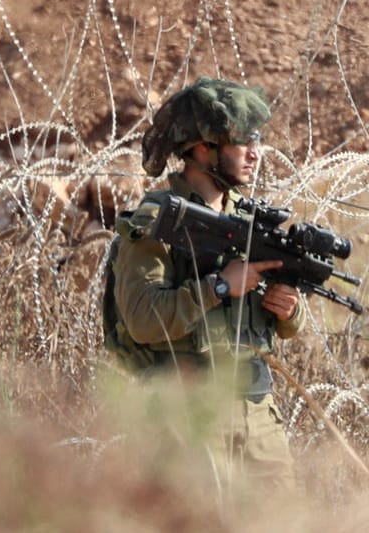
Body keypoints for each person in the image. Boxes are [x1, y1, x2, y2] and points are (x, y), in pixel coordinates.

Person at [101, 77, 317, 477]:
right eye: (243, 141)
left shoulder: (253, 222)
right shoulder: (159, 222)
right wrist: (219, 286)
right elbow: (143, 320)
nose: (255, 153)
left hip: (256, 414)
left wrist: (290, 312)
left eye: (257, 141)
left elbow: (281, 326)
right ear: (204, 148)